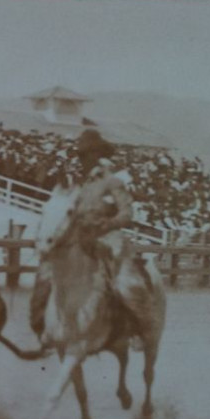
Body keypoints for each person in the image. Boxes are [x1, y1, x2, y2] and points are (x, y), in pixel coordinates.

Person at [29, 128, 154, 343]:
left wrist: (107, 224)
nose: (83, 160)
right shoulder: (81, 186)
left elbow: (127, 213)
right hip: (79, 239)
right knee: (45, 276)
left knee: (127, 284)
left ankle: (140, 331)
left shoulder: (113, 182)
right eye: (81, 156)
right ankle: (43, 327)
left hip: (109, 239)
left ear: (99, 157)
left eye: (86, 155)